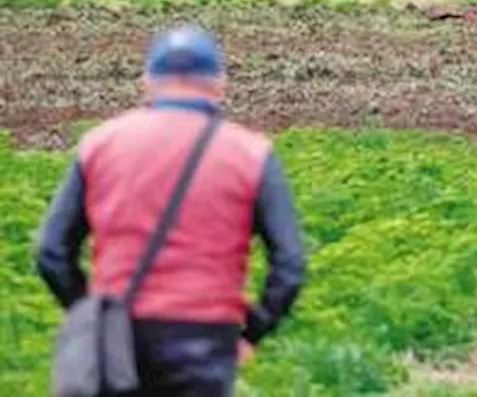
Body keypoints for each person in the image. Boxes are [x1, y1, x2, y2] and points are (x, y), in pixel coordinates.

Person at [35, 25, 307, 396]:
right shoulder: (251, 154)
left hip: (119, 336)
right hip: (205, 338)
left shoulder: (100, 144)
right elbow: (289, 264)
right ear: (218, 84)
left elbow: (52, 252)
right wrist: (254, 330)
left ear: (148, 81)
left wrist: (89, 315)